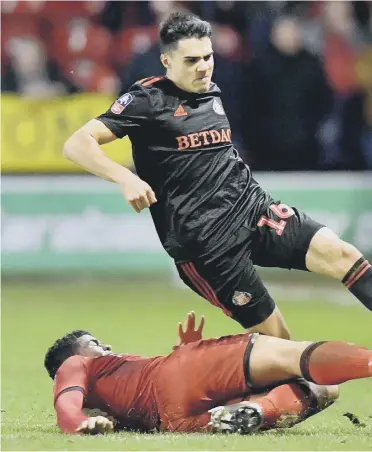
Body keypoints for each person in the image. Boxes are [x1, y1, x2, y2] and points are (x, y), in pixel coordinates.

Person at [63, 12, 372, 339]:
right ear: (166, 60)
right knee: (282, 347)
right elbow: (77, 144)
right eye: (192, 59)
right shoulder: (147, 100)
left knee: (344, 255)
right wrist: (125, 177)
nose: (203, 66)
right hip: (206, 244)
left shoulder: (212, 89)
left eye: (208, 57)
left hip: (253, 210)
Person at [45, 311, 372, 435]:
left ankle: (257, 411)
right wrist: (79, 424)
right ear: (70, 359)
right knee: (291, 354)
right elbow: (66, 408)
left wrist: (185, 349)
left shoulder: (102, 400)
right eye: (94, 343)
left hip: (174, 422)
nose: (105, 346)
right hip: (176, 376)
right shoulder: (75, 366)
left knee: (328, 389)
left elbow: (129, 395)